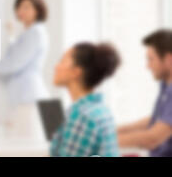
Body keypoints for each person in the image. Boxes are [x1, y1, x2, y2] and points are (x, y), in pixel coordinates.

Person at [0, 0, 49, 138]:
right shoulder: (30, 33)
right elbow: (17, 56)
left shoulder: (36, 33)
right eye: (19, 7)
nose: (21, 11)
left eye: (27, 7)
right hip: (27, 100)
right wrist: (11, 35)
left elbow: (14, 63)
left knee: (27, 148)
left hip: (30, 100)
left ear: (38, 9)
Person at [50, 42, 120, 157]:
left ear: (76, 72)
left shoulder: (81, 117)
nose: (56, 66)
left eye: (62, 61)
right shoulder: (100, 110)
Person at [118, 29, 172, 157]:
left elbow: (153, 138)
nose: (148, 66)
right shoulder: (165, 86)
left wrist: (103, 141)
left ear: (169, 59)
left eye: (151, 59)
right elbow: (157, 120)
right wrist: (113, 130)